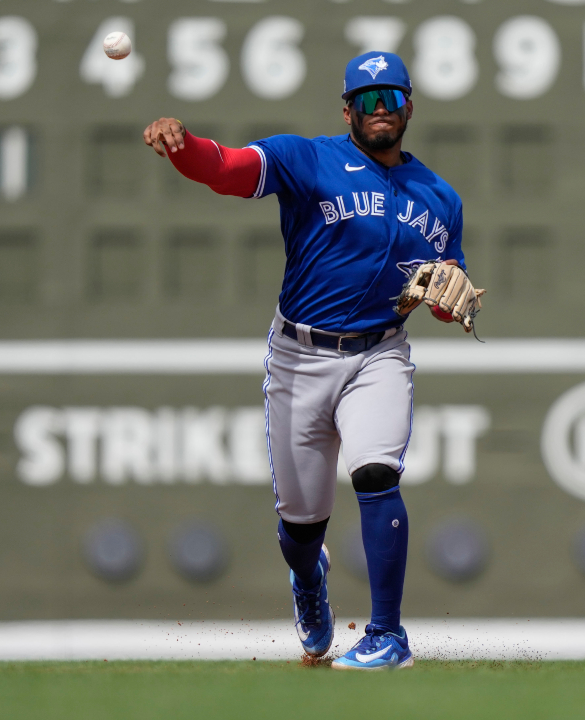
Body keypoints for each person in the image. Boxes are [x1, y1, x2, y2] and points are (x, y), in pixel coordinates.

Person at [143, 51, 468, 670]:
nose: (380, 110)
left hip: (379, 353)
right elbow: (231, 170)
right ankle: (308, 578)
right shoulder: (307, 159)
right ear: (347, 110)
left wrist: (450, 294)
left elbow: (448, 297)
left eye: (391, 98)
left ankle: (387, 634)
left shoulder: (440, 197)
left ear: (407, 107)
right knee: (301, 528)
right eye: (367, 100)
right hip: (299, 357)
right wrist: (186, 148)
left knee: (376, 473)